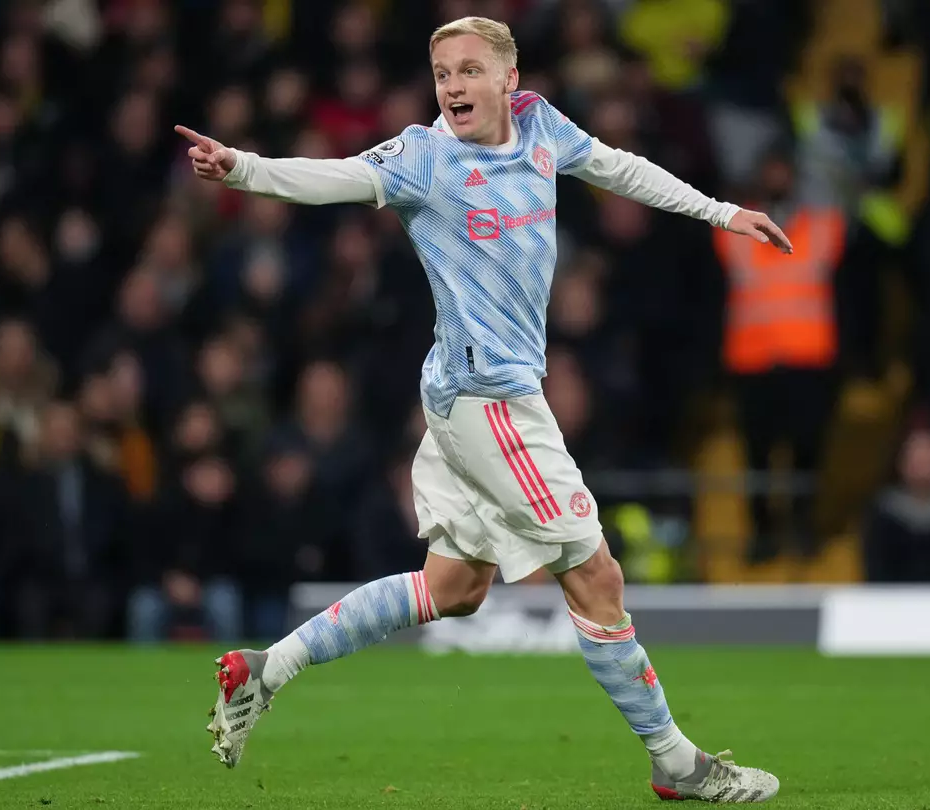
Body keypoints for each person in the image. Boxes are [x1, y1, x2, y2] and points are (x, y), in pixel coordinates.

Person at [177, 16, 791, 804]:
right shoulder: (425, 158)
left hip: (480, 397)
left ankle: (268, 668)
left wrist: (719, 211)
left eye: (469, 70)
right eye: (442, 74)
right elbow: (333, 177)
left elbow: (619, 168)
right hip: (485, 400)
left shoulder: (540, 124)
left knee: (456, 586)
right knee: (596, 575)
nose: (454, 87)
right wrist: (241, 169)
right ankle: (676, 764)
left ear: (509, 76)